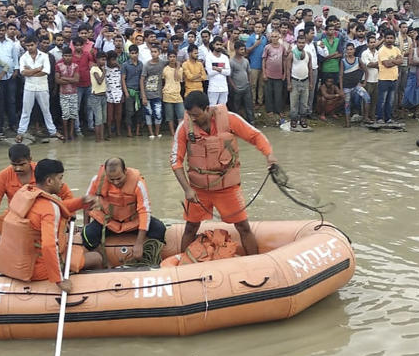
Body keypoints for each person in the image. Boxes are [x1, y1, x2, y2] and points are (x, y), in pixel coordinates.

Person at [171, 90, 278, 257]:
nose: (193, 119)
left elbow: (255, 136)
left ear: (207, 109)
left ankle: (255, 263)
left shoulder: (230, 119)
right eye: (190, 115)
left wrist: (269, 155)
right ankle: (182, 267)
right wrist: (187, 189)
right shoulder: (184, 128)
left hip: (226, 187)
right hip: (198, 190)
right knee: (190, 227)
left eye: (196, 115)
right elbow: (175, 162)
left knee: (243, 226)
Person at [0, 146, 87, 274]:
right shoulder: (4, 175)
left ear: (30, 160)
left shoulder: (43, 172)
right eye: (14, 165)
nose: (18, 169)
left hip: (38, 220)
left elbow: (66, 195)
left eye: (22, 164)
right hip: (14, 220)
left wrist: (68, 220)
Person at [0, 158, 97, 290]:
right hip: (37, 269)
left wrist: (81, 202)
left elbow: (56, 206)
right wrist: (59, 280)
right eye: (60, 178)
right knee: (96, 257)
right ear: (49, 181)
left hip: (17, 263)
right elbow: (49, 246)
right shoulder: (49, 209)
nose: (62, 183)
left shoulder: (26, 193)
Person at [82, 157, 167, 261]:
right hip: (109, 222)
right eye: (111, 179)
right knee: (87, 234)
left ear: (125, 171)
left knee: (159, 229)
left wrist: (139, 244)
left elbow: (144, 211)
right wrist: (85, 226)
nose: (116, 182)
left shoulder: (138, 183)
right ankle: (104, 261)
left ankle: (147, 259)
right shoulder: (97, 180)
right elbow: (87, 203)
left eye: (119, 179)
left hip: (133, 222)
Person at [16, 35, 62, 143]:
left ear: (36, 44)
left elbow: (46, 71)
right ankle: (21, 132)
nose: (29, 48)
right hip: (29, 87)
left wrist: (30, 72)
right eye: (27, 46)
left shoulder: (44, 56)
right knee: (26, 111)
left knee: (46, 110)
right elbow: (23, 72)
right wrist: (37, 69)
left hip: (42, 87)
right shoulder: (23, 57)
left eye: (31, 45)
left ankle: (52, 131)